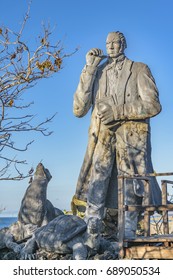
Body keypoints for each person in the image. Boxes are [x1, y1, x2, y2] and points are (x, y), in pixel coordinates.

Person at [73, 31, 162, 238]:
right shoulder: (97, 72)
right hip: (101, 137)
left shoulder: (139, 69)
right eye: (107, 43)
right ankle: (91, 229)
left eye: (114, 42)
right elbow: (79, 109)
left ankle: (128, 231)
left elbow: (153, 105)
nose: (110, 46)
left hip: (131, 139)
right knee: (97, 178)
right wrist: (89, 68)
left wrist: (119, 111)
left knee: (130, 182)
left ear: (123, 44)